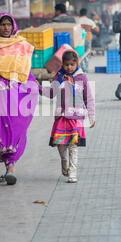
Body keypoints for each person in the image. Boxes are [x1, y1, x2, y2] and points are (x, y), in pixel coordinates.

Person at [0, 13, 38, 185]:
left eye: (8, 25)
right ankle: (9, 166)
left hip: (19, 86)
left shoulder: (21, 44)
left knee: (17, 125)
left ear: (13, 26)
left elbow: (25, 68)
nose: (6, 28)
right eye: (2, 24)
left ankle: (10, 165)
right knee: (2, 125)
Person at [38, 49, 95, 183]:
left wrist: (91, 115)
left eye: (72, 64)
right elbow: (51, 93)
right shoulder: (58, 78)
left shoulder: (82, 78)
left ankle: (73, 172)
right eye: (66, 64)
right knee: (61, 145)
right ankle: (64, 162)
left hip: (76, 118)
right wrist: (38, 87)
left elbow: (89, 98)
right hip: (61, 118)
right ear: (62, 64)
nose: (69, 67)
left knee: (73, 146)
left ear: (77, 64)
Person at [77, 8, 100, 72]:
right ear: (86, 14)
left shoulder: (77, 21)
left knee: (80, 53)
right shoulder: (89, 21)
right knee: (87, 53)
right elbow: (97, 30)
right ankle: (86, 68)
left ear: (80, 13)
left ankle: (80, 68)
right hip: (87, 38)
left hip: (79, 39)